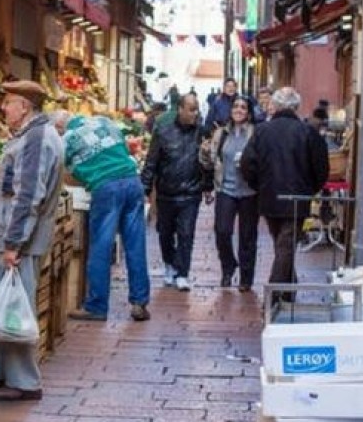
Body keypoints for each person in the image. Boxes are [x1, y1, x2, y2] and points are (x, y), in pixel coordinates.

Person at [0, 79, 64, 402]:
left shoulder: (36, 139)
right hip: (10, 240)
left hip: (19, 243)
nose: (3, 108)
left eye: (8, 102)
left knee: (13, 311)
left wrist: (14, 243)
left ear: (24, 106)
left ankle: (24, 381)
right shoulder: (29, 136)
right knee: (1, 303)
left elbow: (27, 196)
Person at [240, 87, 329, 304]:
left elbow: (247, 164)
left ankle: (283, 292)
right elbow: (321, 168)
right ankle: (278, 294)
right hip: (298, 200)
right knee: (285, 246)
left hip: (269, 197)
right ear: (296, 107)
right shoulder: (308, 132)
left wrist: (259, 186)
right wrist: (310, 190)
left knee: (283, 245)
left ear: (276, 106)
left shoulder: (262, 131)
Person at [61, 113, 151, 322]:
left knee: (101, 245)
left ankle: (97, 306)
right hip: (132, 181)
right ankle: (140, 302)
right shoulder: (106, 123)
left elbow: (61, 171)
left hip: (107, 188)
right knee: (135, 245)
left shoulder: (68, 138)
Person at [141, 93, 213, 291]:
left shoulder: (202, 132)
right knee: (164, 233)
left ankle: (182, 273)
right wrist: (145, 188)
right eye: (191, 109)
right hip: (166, 192)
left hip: (191, 193)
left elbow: (206, 162)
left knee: (186, 234)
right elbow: (151, 162)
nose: (195, 113)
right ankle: (169, 264)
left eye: (196, 109)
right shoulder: (162, 132)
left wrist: (208, 186)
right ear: (180, 109)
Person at [199, 96, 259, 292]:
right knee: (222, 231)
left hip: (250, 191)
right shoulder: (221, 133)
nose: (239, 110)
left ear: (249, 112)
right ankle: (228, 266)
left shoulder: (256, 133)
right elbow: (210, 161)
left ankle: (246, 278)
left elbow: (263, 160)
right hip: (226, 188)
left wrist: (250, 164)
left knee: (247, 236)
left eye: (243, 107)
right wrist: (205, 152)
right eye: (236, 106)